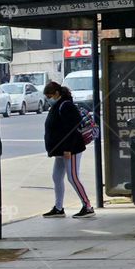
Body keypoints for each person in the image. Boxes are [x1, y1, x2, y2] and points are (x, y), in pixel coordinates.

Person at [42, 81, 95, 219]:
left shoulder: (66, 106)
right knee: (56, 177)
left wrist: (67, 149)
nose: (48, 99)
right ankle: (58, 208)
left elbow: (71, 129)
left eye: (49, 96)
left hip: (71, 149)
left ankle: (88, 206)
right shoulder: (59, 105)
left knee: (73, 177)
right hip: (61, 150)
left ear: (57, 94)